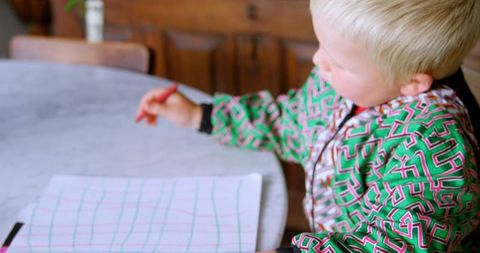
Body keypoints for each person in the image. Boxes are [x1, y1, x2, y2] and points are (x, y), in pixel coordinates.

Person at [136, 0, 480, 252]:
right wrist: (202, 115)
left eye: (338, 60)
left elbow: (398, 244)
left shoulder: (432, 143)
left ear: (411, 83)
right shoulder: (343, 82)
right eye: (320, 45)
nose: (318, 61)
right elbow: (292, 121)